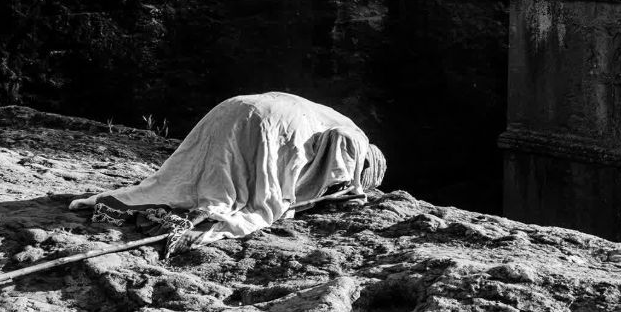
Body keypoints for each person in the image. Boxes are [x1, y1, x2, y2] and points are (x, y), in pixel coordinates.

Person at [71, 92, 386, 243]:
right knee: (247, 193)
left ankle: (164, 199)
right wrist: (352, 190)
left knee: (203, 170)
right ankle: (207, 210)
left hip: (233, 106)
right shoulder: (356, 136)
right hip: (270, 124)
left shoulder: (328, 112)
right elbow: (341, 147)